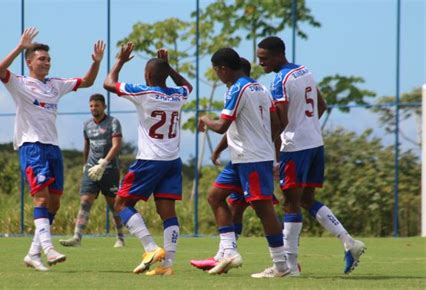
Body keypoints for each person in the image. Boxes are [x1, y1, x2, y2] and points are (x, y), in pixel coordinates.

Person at [0, 27, 105, 271]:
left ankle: (33, 254)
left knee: (54, 203)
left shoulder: (55, 85)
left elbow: (87, 82)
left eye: (49, 59)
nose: (47, 62)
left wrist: (96, 63)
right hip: (32, 147)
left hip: (53, 148)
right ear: (30, 62)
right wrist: (20, 46)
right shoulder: (19, 83)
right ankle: (48, 248)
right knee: (42, 198)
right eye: (42, 59)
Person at [256, 36, 366, 275]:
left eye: (264, 60)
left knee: (290, 203)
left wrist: (273, 156)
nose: (261, 64)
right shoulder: (304, 71)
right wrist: (308, 127)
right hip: (315, 143)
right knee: (305, 200)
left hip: (295, 148)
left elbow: (281, 121)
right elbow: (322, 104)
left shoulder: (280, 80)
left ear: (277, 55)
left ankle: (289, 265)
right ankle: (349, 242)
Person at [198, 48, 290, 278]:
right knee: (215, 196)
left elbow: (221, 125)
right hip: (242, 158)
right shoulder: (261, 87)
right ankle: (227, 251)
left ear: (224, 69)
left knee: (264, 210)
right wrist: (266, 144)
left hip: (252, 160)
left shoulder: (237, 88)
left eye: (217, 71)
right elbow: (277, 122)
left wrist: (205, 120)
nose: (218, 76)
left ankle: (281, 266)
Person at [103, 43, 192, 276]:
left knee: (121, 204)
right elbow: (187, 85)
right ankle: (167, 265)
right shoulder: (178, 94)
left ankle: (151, 248)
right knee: (168, 212)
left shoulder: (144, 92)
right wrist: (170, 67)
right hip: (173, 160)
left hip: (150, 160)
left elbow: (108, 83)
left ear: (148, 75)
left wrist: (120, 60)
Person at [59, 93, 125, 248]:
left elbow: (117, 145)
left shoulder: (113, 122)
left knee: (114, 205)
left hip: (109, 170)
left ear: (104, 106)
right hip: (91, 171)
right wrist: (85, 165)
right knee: (85, 201)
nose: (93, 108)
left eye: (97, 105)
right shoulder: (87, 124)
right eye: (91, 106)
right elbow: (87, 146)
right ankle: (77, 238)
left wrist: (103, 163)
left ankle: (120, 237)